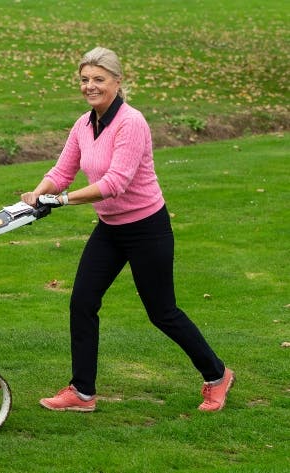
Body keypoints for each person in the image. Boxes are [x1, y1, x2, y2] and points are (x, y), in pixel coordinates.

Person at [21, 47, 234, 413]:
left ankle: (217, 376)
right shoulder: (84, 124)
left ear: (118, 82)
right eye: (85, 79)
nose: (90, 86)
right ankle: (82, 393)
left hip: (147, 228)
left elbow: (115, 182)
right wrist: (37, 194)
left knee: (162, 312)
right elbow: (61, 172)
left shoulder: (131, 122)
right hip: (110, 229)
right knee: (83, 302)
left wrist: (61, 201)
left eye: (98, 79)